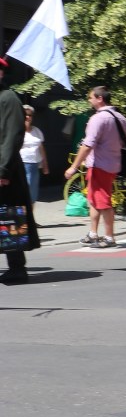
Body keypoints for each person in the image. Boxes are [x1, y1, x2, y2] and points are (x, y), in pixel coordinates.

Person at [64, 86, 126, 249]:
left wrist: (74, 166)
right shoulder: (120, 117)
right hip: (113, 163)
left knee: (103, 201)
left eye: (91, 97)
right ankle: (93, 233)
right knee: (93, 200)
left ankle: (109, 237)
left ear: (100, 98)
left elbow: (88, 144)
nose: (89, 100)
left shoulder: (98, 119)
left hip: (100, 165)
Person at [0, 57, 37, 284]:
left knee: (9, 218)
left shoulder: (8, 99)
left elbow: (12, 137)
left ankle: (17, 268)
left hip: (6, 172)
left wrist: (3, 171)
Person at [20, 105, 47, 210]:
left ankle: (30, 220)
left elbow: (41, 149)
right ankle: (23, 221)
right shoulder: (18, 131)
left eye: (29, 115)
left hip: (34, 165)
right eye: (25, 115)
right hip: (21, 164)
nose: (27, 117)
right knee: (23, 192)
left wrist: (45, 165)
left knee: (33, 193)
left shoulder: (37, 131)